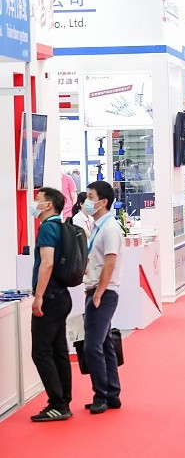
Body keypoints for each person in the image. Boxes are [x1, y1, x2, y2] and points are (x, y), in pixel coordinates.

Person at [28, 187, 73, 422]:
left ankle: (57, 403)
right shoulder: (62, 227)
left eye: (38, 199)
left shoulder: (47, 228)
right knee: (58, 350)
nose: (34, 202)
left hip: (51, 297)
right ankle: (63, 401)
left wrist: (39, 296)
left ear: (48, 205)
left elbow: (47, 263)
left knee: (41, 352)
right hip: (62, 296)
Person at [82, 180, 123, 415]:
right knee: (105, 344)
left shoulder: (109, 229)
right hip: (97, 291)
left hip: (103, 293)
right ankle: (112, 393)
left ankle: (101, 395)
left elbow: (110, 263)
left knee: (92, 346)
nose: (86, 201)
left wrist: (98, 293)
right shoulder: (99, 227)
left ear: (103, 201)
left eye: (91, 197)